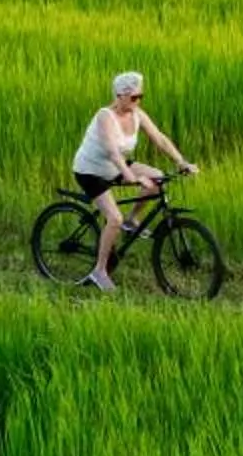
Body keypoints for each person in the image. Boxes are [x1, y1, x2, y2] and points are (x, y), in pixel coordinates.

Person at [74, 71, 196, 291]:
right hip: (91, 170)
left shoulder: (137, 113)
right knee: (113, 219)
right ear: (119, 95)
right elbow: (112, 151)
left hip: (115, 167)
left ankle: (133, 220)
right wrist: (133, 178)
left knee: (157, 177)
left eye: (140, 96)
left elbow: (159, 138)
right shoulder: (105, 116)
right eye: (133, 97)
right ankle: (99, 272)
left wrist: (181, 162)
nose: (137, 101)